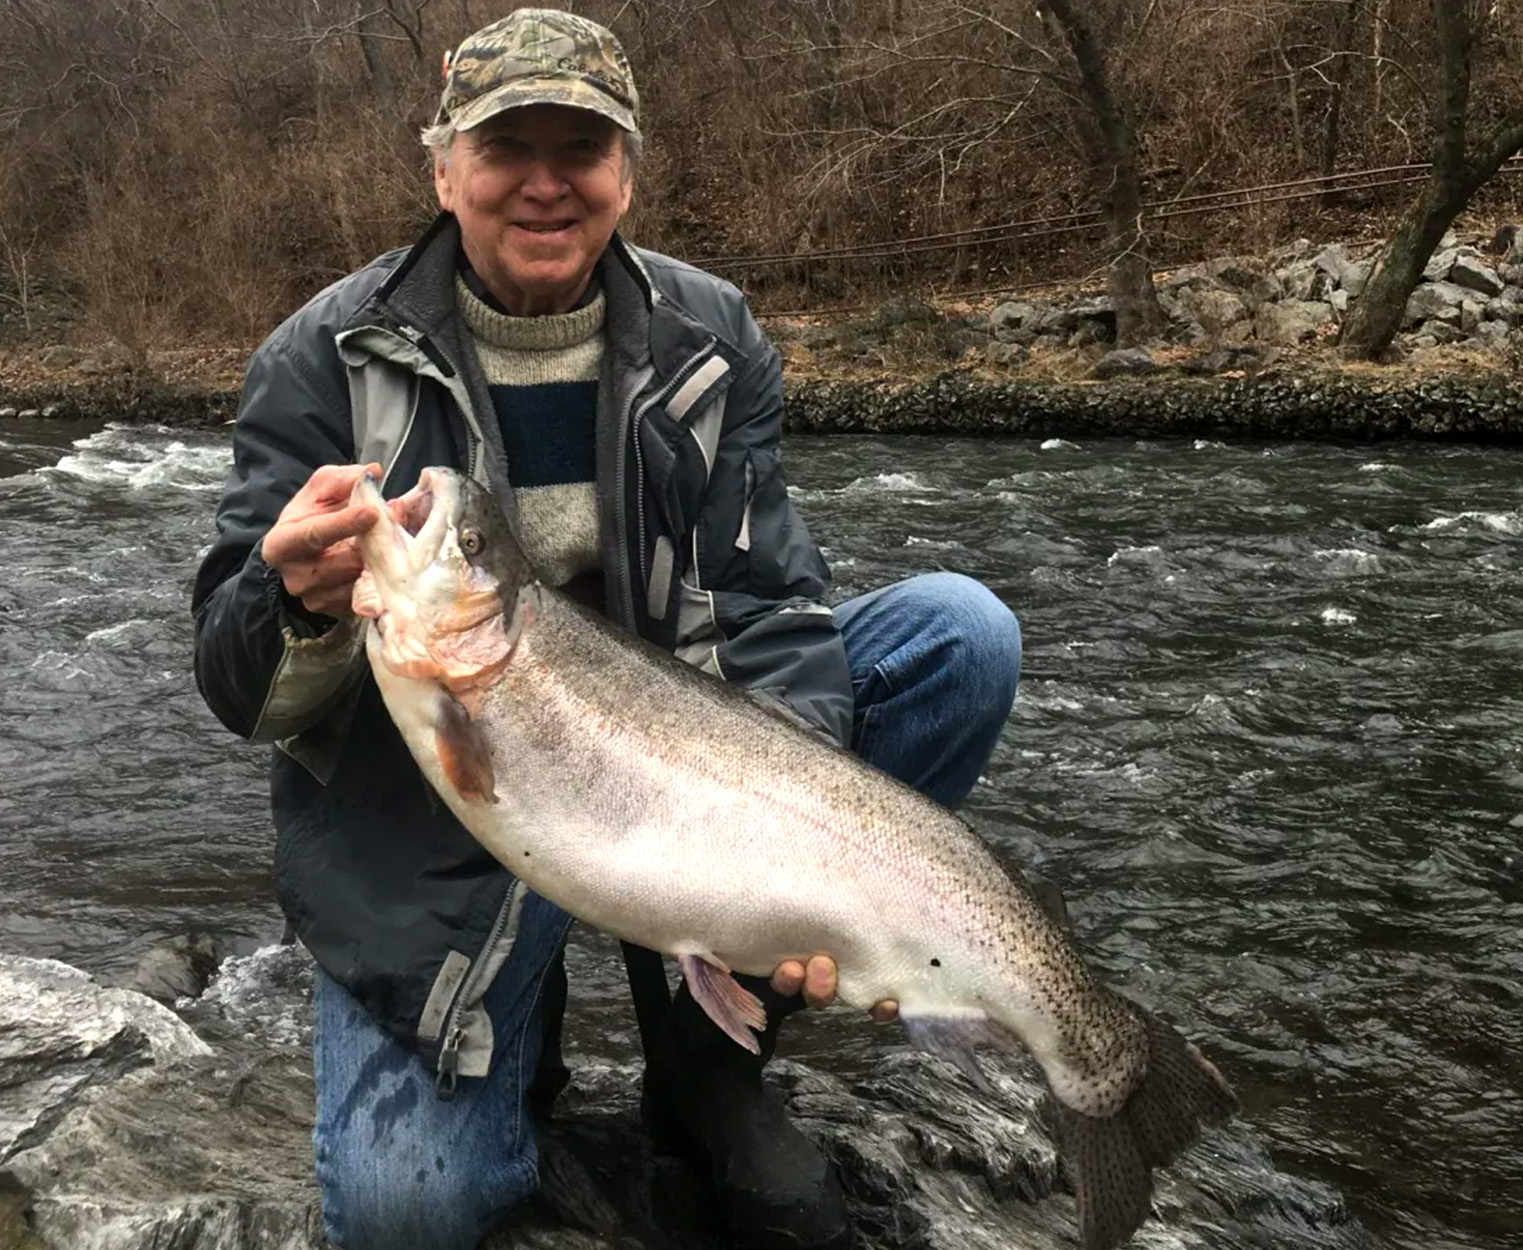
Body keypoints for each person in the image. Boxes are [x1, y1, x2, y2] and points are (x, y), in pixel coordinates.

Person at [191, 9, 1021, 1249]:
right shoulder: (323, 356)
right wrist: (294, 597)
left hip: (674, 773)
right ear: (442, 170)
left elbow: (770, 605)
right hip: (434, 824)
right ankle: (502, 1025)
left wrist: (786, 854)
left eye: (577, 147)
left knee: (960, 635)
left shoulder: (709, 333)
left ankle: (706, 1050)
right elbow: (238, 690)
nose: (542, 181)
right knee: (406, 1214)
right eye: (503, 146)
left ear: (624, 171)